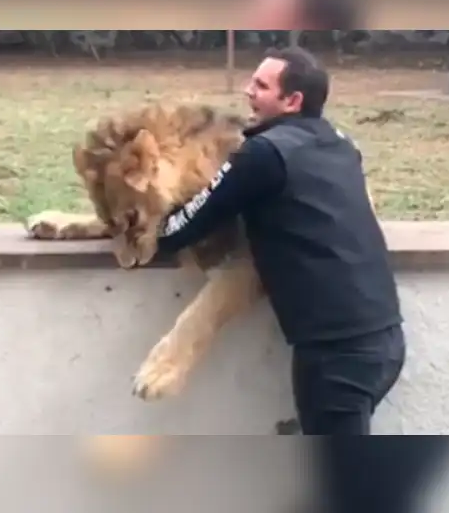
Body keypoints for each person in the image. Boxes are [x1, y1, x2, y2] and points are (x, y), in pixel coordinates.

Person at [155, 45, 405, 436]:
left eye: (261, 85)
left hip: (336, 355)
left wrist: (141, 225)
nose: (247, 90)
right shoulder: (341, 143)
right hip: (385, 340)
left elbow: (178, 232)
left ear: (292, 100)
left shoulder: (264, 154)